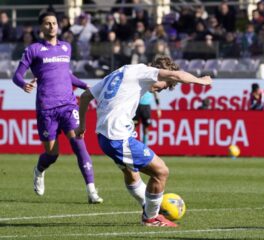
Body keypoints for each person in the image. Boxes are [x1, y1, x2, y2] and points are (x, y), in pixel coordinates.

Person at [75, 56, 212, 227]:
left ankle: (148, 208)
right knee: (161, 172)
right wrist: (201, 81)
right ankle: (151, 218)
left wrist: (82, 126)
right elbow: (177, 75)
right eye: (164, 86)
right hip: (117, 136)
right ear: (161, 75)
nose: (159, 90)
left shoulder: (120, 72)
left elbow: (86, 95)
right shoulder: (143, 71)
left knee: (131, 173)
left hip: (104, 136)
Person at [12, 12, 103, 204]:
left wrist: (84, 85)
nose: (52, 26)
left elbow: (66, 74)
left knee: (79, 145)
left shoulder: (66, 47)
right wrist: (24, 84)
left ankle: (92, 191)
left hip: (69, 105)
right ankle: (39, 170)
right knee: (52, 154)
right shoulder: (33, 50)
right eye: (48, 23)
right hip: (47, 108)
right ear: (41, 28)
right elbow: (17, 75)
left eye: (54, 23)